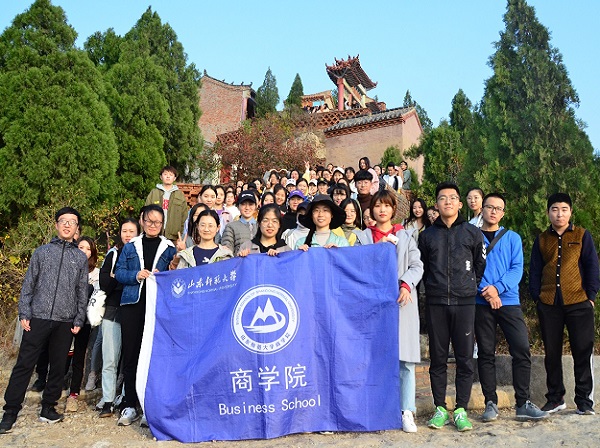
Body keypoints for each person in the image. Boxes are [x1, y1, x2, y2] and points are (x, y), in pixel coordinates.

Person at [0, 208, 88, 433]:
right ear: (56, 225)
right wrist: (24, 312)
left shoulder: (80, 258)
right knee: (24, 364)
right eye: (63, 221)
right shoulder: (42, 252)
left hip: (65, 320)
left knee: (58, 366)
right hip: (38, 317)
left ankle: (48, 407)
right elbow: (29, 284)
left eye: (72, 222)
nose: (67, 225)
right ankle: (10, 411)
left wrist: (79, 318)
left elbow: (81, 291)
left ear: (77, 228)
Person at [418, 182, 486, 432]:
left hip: (465, 303)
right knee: (437, 359)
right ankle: (439, 408)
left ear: (459, 203)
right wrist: (434, 288)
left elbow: (480, 264)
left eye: (452, 198)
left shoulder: (472, 233)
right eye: (442, 198)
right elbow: (423, 267)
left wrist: (468, 285)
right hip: (436, 303)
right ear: (436, 204)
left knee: (465, 359)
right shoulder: (427, 236)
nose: (447, 201)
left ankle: (460, 409)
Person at [475, 193, 548, 422]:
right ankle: (490, 402)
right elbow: (467, 269)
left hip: (508, 301)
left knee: (521, 349)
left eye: (498, 208)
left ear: (503, 213)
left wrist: (497, 289)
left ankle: (523, 402)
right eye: (489, 207)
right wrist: (486, 291)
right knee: (486, 352)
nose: (493, 211)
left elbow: (517, 269)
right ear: (482, 209)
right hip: (480, 302)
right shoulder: (471, 237)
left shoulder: (512, 238)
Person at [355, 190, 423, 432]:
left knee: (405, 361)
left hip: (401, 302)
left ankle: (407, 411)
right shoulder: (362, 237)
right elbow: (357, 266)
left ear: (394, 209)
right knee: (373, 359)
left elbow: (417, 265)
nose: (382, 209)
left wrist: (406, 284)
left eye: (386, 205)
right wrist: (377, 250)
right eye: (378, 205)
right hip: (372, 305)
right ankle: (376, 410)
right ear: (371, 210)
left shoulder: (405, 235)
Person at [529, 193, 600, 415]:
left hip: (579, 302)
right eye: (555, 209)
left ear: (570, 212)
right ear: (548, 212)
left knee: (582, 351)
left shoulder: (582, 235)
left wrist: (590, 296)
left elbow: (592, 266)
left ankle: (584, 401)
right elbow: (534, 270)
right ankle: (555, 398)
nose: (559, 214)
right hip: (549, 303)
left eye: (564, 209)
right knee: (552, 353)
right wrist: (537, 297)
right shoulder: (542, 239)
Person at [114, 205, 176, 426]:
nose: (153, 225)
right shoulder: (131, 246)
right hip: (132, 304)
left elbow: (176, 275)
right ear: (142, 221)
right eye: (149, 221)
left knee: (154, 356)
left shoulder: (169, 248)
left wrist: (164, 274)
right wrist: (136, 275)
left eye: (157, 222)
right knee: (131, 354)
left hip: (158, 308)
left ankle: (150, 407)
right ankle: (130, 404)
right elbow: (119, 273)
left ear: (163, 224)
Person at [97, 219, 140, 418]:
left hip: (133, 310)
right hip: (113, 310)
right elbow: (104, 282)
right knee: (110, 358)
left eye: (132, 231)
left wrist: (118, 276)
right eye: (124, 231)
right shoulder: (113, 254)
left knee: (129, 359)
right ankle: (107, 399)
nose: (128, 235)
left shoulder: (140, 255)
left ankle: (124, 397)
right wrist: (123, 278)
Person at [65, 236, 100, 413]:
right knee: (61, 354)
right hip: (65, 317)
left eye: (88, 249)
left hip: (85, 320)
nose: (84, 251)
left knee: (79, 357)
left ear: (92, 252)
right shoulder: (67, 267)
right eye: (81, 247)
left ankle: (73, 394)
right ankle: (54, 387)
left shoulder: (96, 273)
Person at [145, 166, 188, 244]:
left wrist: (180, 233)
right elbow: (145, 212)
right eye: (165, 174)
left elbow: (184, 216)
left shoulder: (179, 195)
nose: (168, 176)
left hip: (173, 236)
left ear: (174, 178)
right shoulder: (154, 193)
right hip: (155, 233)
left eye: (171, 175)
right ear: (161, 177)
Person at [221, 191, 258, 255]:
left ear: (255, 206)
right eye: (243, 204)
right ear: (238, 206)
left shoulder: (261, 226)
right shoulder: (231, 227)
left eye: (251, 204)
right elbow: (227, 248)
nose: (247, 208)